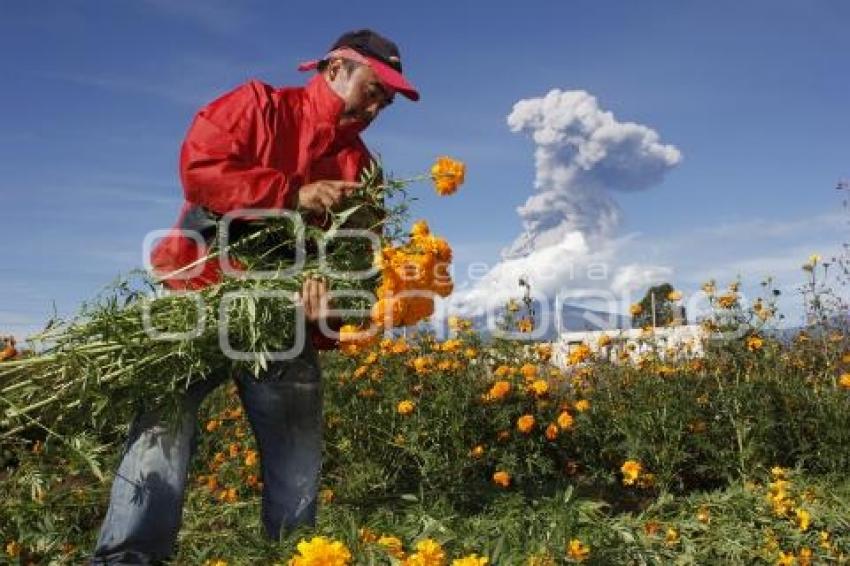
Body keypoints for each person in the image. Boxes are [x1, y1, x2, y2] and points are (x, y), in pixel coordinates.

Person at [91, 29, 419, 565]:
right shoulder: (257, 106)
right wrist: (290, 193)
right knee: (161, 432)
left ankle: (295, 555)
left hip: (281, 322)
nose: (380, 104)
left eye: (389, 99)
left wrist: (330, 308)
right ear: (335, 69)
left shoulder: (363, 170)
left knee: (297, 457)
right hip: (200, 293)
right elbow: (202, 172)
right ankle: (128, 558)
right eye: (375, 88)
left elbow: (359, 265)